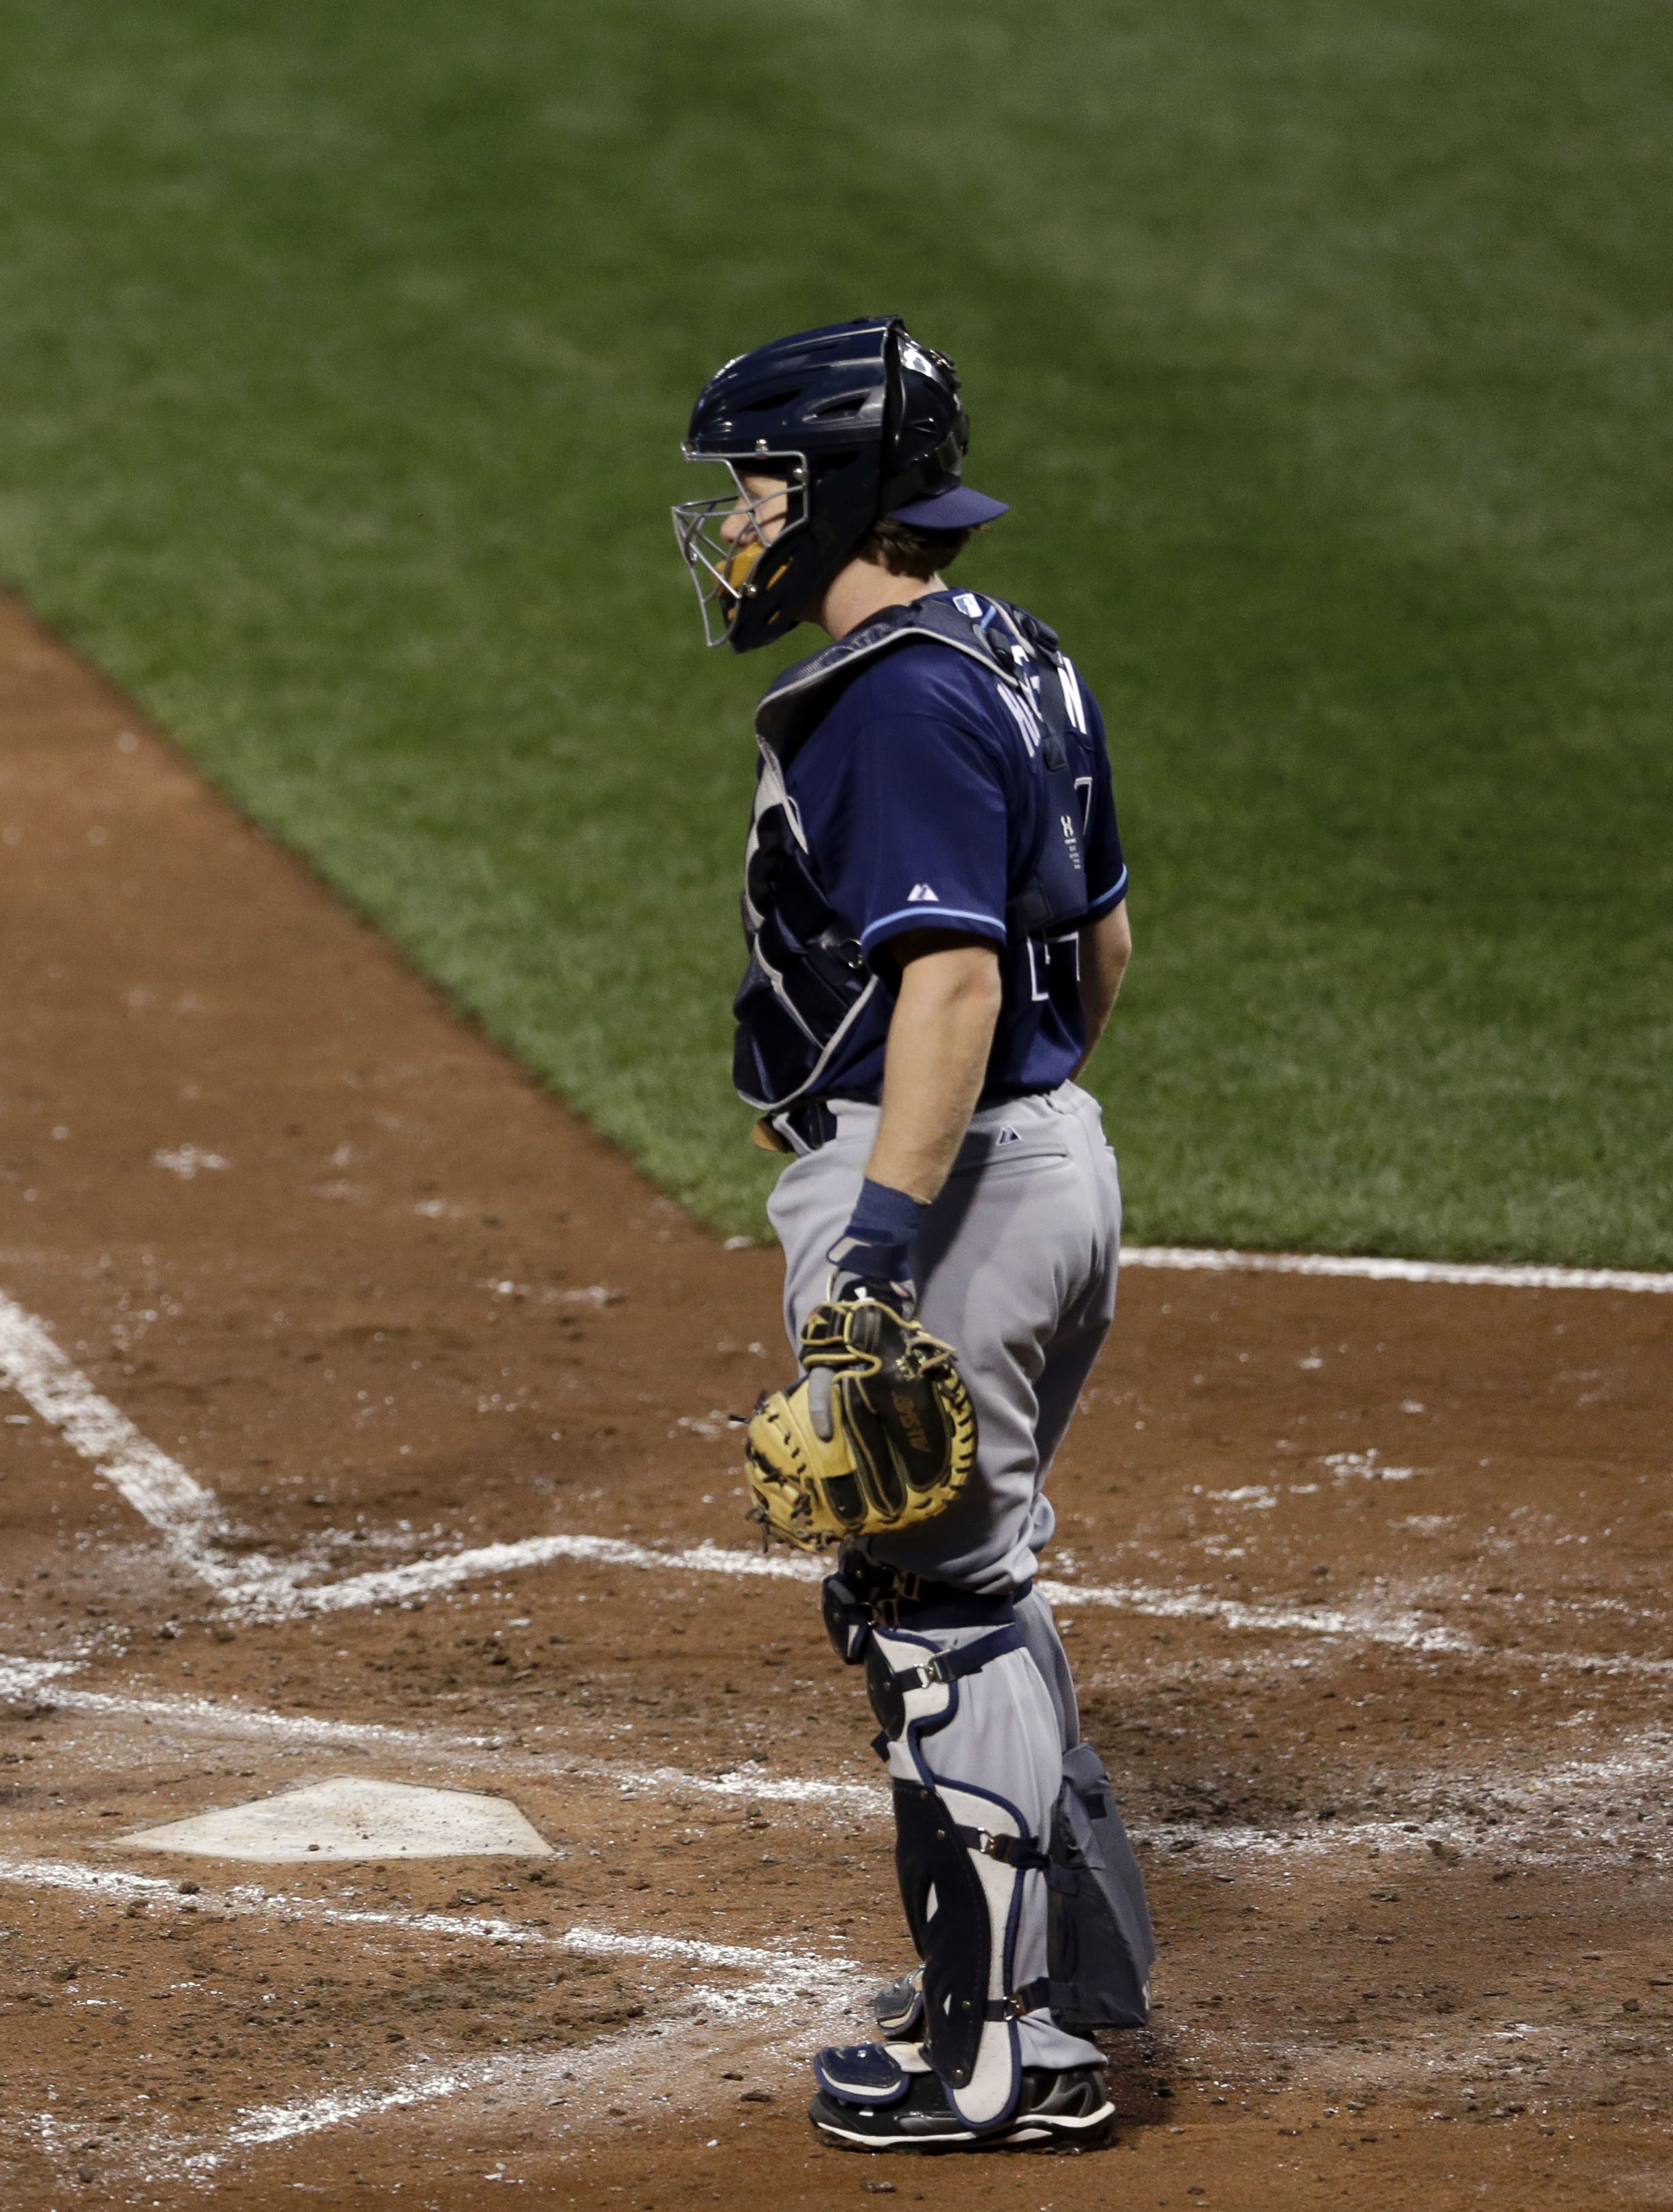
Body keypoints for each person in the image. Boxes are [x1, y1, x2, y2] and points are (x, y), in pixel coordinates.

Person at [670, 318, 1155, 2149]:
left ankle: (1003, 2054)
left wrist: (888, 1236)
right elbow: (1098, 948)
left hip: (940, 1185)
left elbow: (950, 982)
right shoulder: (1020, 655)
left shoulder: (895, 693)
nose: (737, 526)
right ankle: (1029, 1989)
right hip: (1039, 1162)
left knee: (935, 1609)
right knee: (953, 1581)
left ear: (844, 497)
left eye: (760, 488)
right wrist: (1033, 1138)